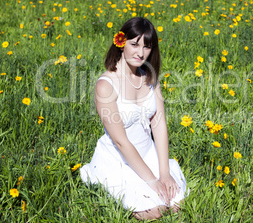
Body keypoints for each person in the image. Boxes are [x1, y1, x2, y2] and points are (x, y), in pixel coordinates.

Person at [80, 17, 187, 220]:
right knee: (154, 211)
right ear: (121, 44)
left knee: (176, 203)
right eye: (134, 44)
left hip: (148, 153)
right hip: (120, 159)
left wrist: (163, 173)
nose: (140, 53)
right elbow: (121, 141)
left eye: (147, 47)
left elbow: (159, 125)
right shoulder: (106, 85)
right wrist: (151, 181)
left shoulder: (149, 78)